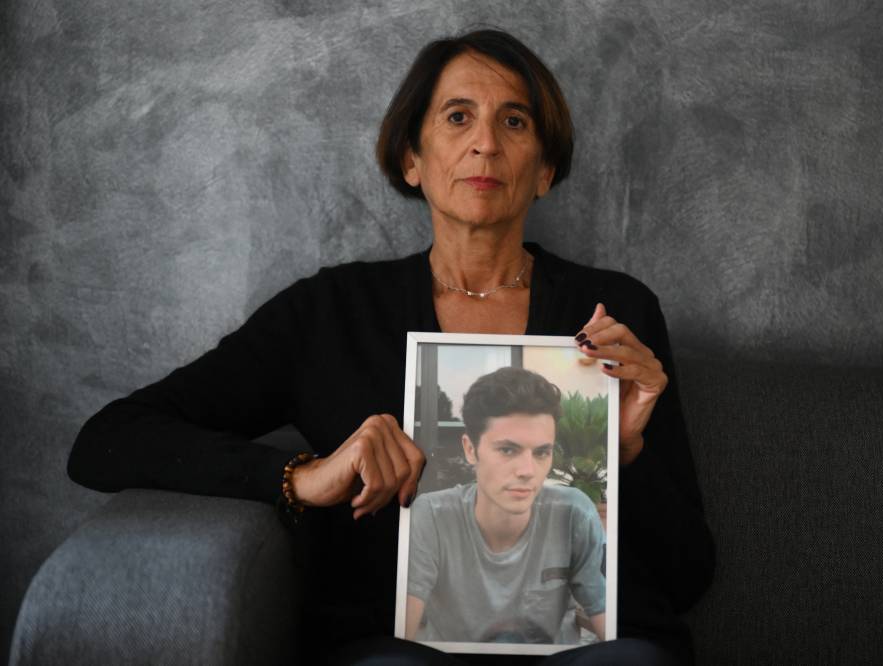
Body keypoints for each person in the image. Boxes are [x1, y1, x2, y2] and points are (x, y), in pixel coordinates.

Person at [68, 28, 714, 665]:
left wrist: (624, 453)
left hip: (598, 648)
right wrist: (297, 477)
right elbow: (106, 441)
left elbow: (688, 574)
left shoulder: (615, 314)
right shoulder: (329, 313)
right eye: (458, 117)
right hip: (395, 647)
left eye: (515, 123)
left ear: (544, 170)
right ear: (412, 158)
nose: (485, 144)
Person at [406, 367, 606, 645]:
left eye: (541, 452)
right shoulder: (432, 516)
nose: (527, 470)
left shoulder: (574, 513)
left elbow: (605, 618)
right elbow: (402, 633)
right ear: (470, 449)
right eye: (508, 450)